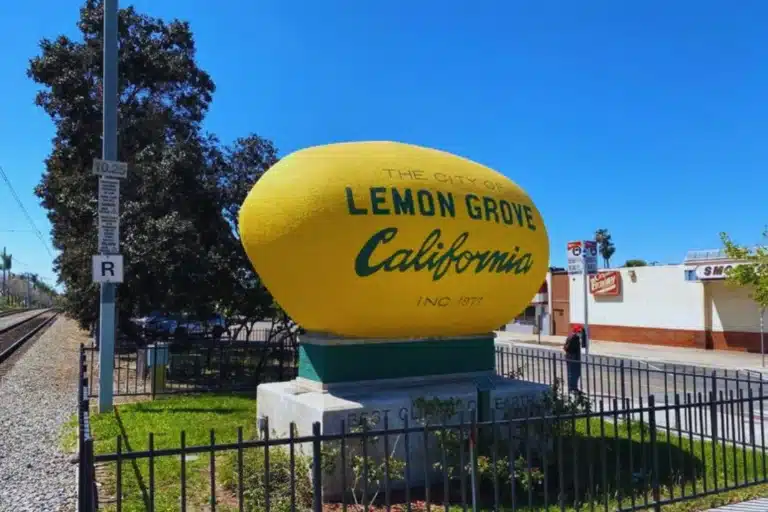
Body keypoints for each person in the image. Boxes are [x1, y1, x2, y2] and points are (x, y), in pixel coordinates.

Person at [563, 324, 584, 393]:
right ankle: (571, 388)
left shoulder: (576, 338)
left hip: (576, 358)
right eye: (579, 332)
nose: (580, 333)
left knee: (577, 373)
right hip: (571, 358)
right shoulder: (572, 337)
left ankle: (574, 387)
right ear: (576, 331)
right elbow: (567, 348)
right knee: (571, 373)